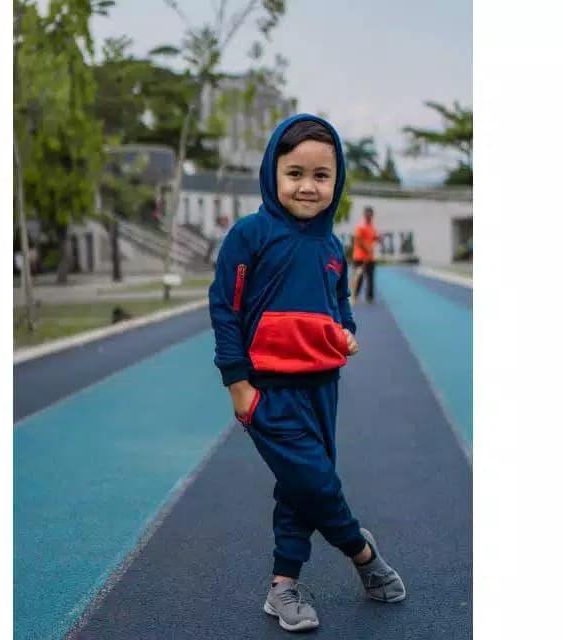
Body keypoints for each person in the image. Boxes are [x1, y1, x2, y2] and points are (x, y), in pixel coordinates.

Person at [208, 115, 405, 632]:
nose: (308, 186)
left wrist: (345, 331)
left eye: (321, 176)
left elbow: (338, 304)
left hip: (323, 385)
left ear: (336, 182)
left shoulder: (332, 247)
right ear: (272, 173)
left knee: (299, 487)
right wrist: (238, 385)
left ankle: (283, 587)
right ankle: (363, 554)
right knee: (317, 482)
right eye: (295, 173)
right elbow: (224, 307)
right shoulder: (249, 236)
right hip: (268, 389)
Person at [351, 206, 381, 303]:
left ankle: (370, 297)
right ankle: (354, 295)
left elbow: (373, 238)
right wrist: (367, 249)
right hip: (359, 257)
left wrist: (377, 238)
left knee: (370, 278)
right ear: (364, 215)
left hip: (370, 258)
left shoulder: (372, 227)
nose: (369, 216)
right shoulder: (360, 226)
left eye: (370, 214)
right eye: (367, 214)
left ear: (372, 215)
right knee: (358, 278)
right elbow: (358, 240)